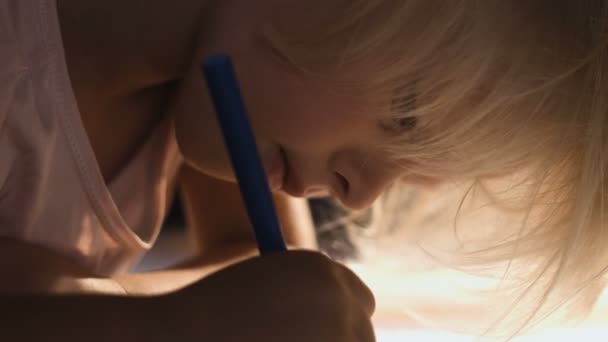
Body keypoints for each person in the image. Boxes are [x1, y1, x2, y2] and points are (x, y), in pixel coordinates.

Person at [0, 0, 606, 340]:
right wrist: (180, 324)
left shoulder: (211, 84)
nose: (358, 196)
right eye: (406, 115)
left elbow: (253, 263)